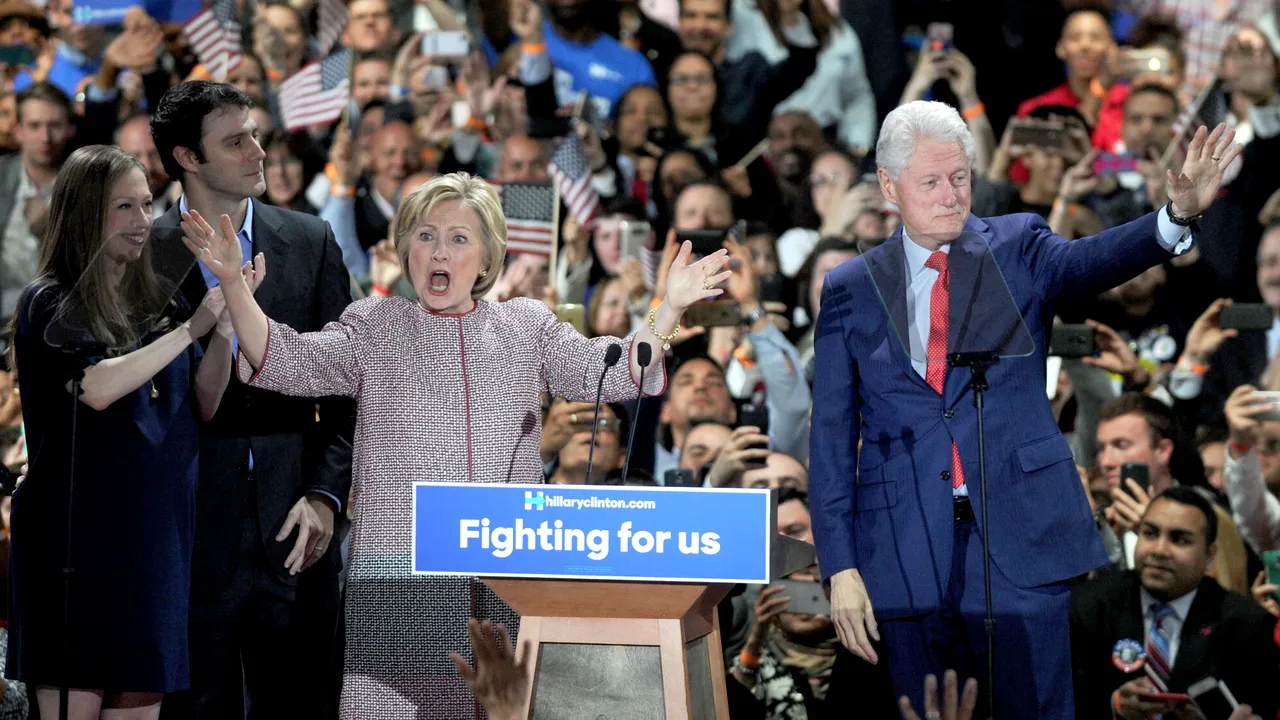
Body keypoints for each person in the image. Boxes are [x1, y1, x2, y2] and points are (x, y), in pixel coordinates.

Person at [180, 171, 732, 715]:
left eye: (457, 238)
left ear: (487, 259)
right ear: (406, 250)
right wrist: (232, 281)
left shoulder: (526, 328)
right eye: (425, 236)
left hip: (504, 593)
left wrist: (670, 309)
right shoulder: (376, 326)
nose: (438, 251)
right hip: (398, 594)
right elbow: (283, 358)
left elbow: (609, 373)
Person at [808, 99, 1241, 718]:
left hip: (1018, 541)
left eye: (960, 177)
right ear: (888, 186)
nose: (951, 195)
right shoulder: (849, 286)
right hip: (901, 549)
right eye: (930, 182)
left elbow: (1095, 260)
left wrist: (1173, 218)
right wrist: (841, 567)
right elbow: (828, 440)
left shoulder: (1017, 244)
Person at [6, 145, 251, 719]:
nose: (143, 221)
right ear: (87, 213)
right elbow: (96, 387)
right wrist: (191, 329)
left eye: (146, 204)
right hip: (76, 543)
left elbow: (206, 403)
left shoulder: (161, 303)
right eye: (124, 207)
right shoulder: (48, 302)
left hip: (155, 540)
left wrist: (219, 326)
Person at [148, 81, 355, 720]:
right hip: (186, 530)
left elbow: (348, 387)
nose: (257, 151)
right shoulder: (142, 255)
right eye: (235, 141)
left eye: (255, 134)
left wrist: (325, 496)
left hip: (296, 525)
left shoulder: (310, 239)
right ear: (188, 157)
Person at [1069, 487, 1280, 719]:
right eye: (1149, 533)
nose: (1159, 550)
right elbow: (1066, 701)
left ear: (1210, 555)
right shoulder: (1088, 606)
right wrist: (1115, 705)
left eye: (1179, 539)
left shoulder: (1246, 624)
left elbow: (1263, 707)